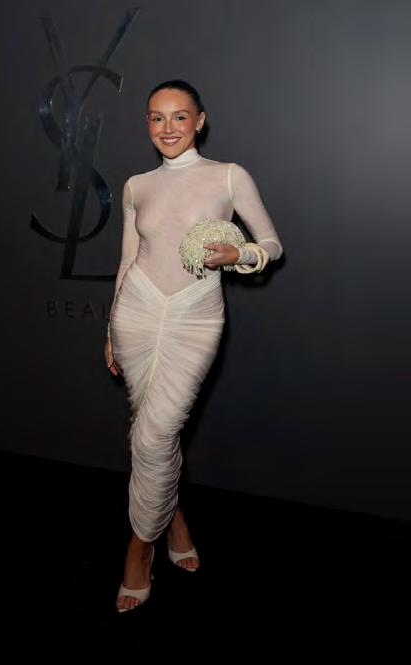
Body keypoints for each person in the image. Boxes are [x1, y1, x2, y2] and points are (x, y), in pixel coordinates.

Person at [104, 79, 284, 612]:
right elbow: (126, 260)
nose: (168, 128)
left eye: (179, 116)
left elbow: (272, 244)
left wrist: (237, 255)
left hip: (194, 316)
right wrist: (109, 330)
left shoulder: (229, 176)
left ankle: (140, 545)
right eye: (156, 117)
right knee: (148, 431)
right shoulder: (136, 185)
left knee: (155, 434)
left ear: (199, 121)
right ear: (147, 123)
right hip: (136, 312)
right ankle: (173, 517)